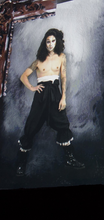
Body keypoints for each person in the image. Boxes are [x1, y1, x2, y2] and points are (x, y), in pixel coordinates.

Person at [16, 28, 84, 176]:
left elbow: (64, 77)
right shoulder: (38, 61)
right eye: (48, 41)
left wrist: (63, 97)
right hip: (41, 95)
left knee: (62, 124)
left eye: (53, 41)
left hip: (55, 93)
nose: (50, 44)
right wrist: (33, 88)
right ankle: (21, 165)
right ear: (44, 43)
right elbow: (23, 76)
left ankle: (70, 159)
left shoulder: (61, 57)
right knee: (31, 127)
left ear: (56, 42)